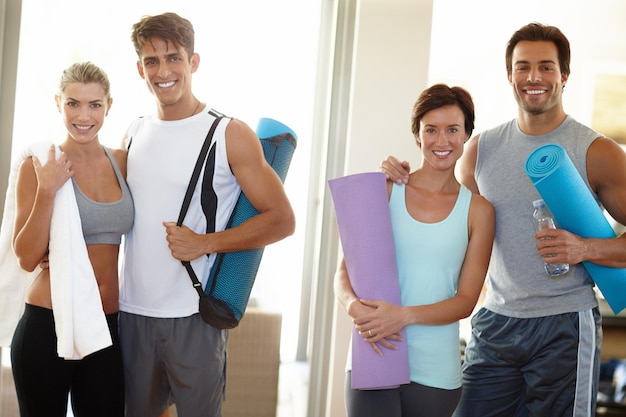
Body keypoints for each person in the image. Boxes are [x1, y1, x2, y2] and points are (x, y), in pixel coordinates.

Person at [381, 22, 626, 416]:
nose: (533, 77)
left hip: (563, 324)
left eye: (546, 67)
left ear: (564, 75)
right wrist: (399, 177)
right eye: (522, 66)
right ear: (509, 75)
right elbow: (448, 217)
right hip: (495, 322)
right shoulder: (481, 149)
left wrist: (585, 247)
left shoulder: (596, 151)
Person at [117, 12, 295, 417]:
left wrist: (205, 243)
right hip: (133, 314)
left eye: (173, 58)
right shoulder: (133, 131)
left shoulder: (228, 133)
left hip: (194, 315)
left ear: (193, 61)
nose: (163, 71)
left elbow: (282, 219)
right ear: (139, 68)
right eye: (151, 61)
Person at [335, 84, 495, 417]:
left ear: (466, 134)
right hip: (374, 350)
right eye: (431, 130)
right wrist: (353, 307)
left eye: (452, 130)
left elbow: (466, 300)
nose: (442, 141)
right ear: (417, 135)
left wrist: (402, 316)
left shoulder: (478, 211)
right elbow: (343, 272)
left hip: (435, 370)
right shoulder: (386, 188)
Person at [8, 62, 130, 417]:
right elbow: (27, 257)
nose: (84, 115)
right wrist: (47, 192)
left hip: (105, 324)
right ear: (58, 103)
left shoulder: (122, 162)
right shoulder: (42, 164)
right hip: (48, 323)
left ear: (109, 105)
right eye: (73, 103)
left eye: (95, 104)